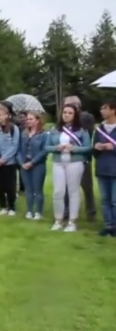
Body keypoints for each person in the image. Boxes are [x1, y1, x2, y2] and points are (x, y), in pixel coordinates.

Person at [46, 104, 91, 232]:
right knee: (58, 192)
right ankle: (58, 220)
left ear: (75, 115)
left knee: (73, 191)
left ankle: (72, 222)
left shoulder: (81, 130)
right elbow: (47, 147)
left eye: (70, 113)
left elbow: (88, 147)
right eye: (64, 112)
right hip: (58, 162)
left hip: (75, 162)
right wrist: (56, 148)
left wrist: (75, 148)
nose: (66, 115)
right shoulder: (55, 129)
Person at [63, 96, 96, 221]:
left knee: (86, 186)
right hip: (66, 156)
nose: (65, 109)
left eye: (68, 105)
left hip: (83, 157)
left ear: (76, 105)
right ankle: (67, 211)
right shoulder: (64, 118)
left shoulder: (86, 117)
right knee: (66, 186)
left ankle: (91, 212)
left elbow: (87, 134)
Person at [0, 101, 20, 216]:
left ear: (7, 115)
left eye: (0, 115)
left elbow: (14, 145)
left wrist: (4, 158)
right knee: (0, 185)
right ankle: (3, 206)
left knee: (10, 185)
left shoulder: (14, 128)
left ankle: (12, 207)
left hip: (10, 163)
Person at [17, 112, 48, 220]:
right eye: (27, 119)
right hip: (24, 164)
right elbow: (19, 150)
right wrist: (21, 163)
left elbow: (44, 151)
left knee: (37, 189)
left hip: (38, 165)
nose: (28, 121)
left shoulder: (43, 134)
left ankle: (38, 212)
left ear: (38, 120)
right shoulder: (24, 134)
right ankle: (29, 211)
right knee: (28, 190)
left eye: (31, 119)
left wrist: (33, 162)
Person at [93, 101, 116, 237]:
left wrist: (113, 147)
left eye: (105, 108)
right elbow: (94, 150)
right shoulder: (100, 128)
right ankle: (108, 225)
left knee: (115, 200)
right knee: (105, 200)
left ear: (113, 110)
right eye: (102, 108)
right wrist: (96, 147)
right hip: (102, 167)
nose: (102, 110)